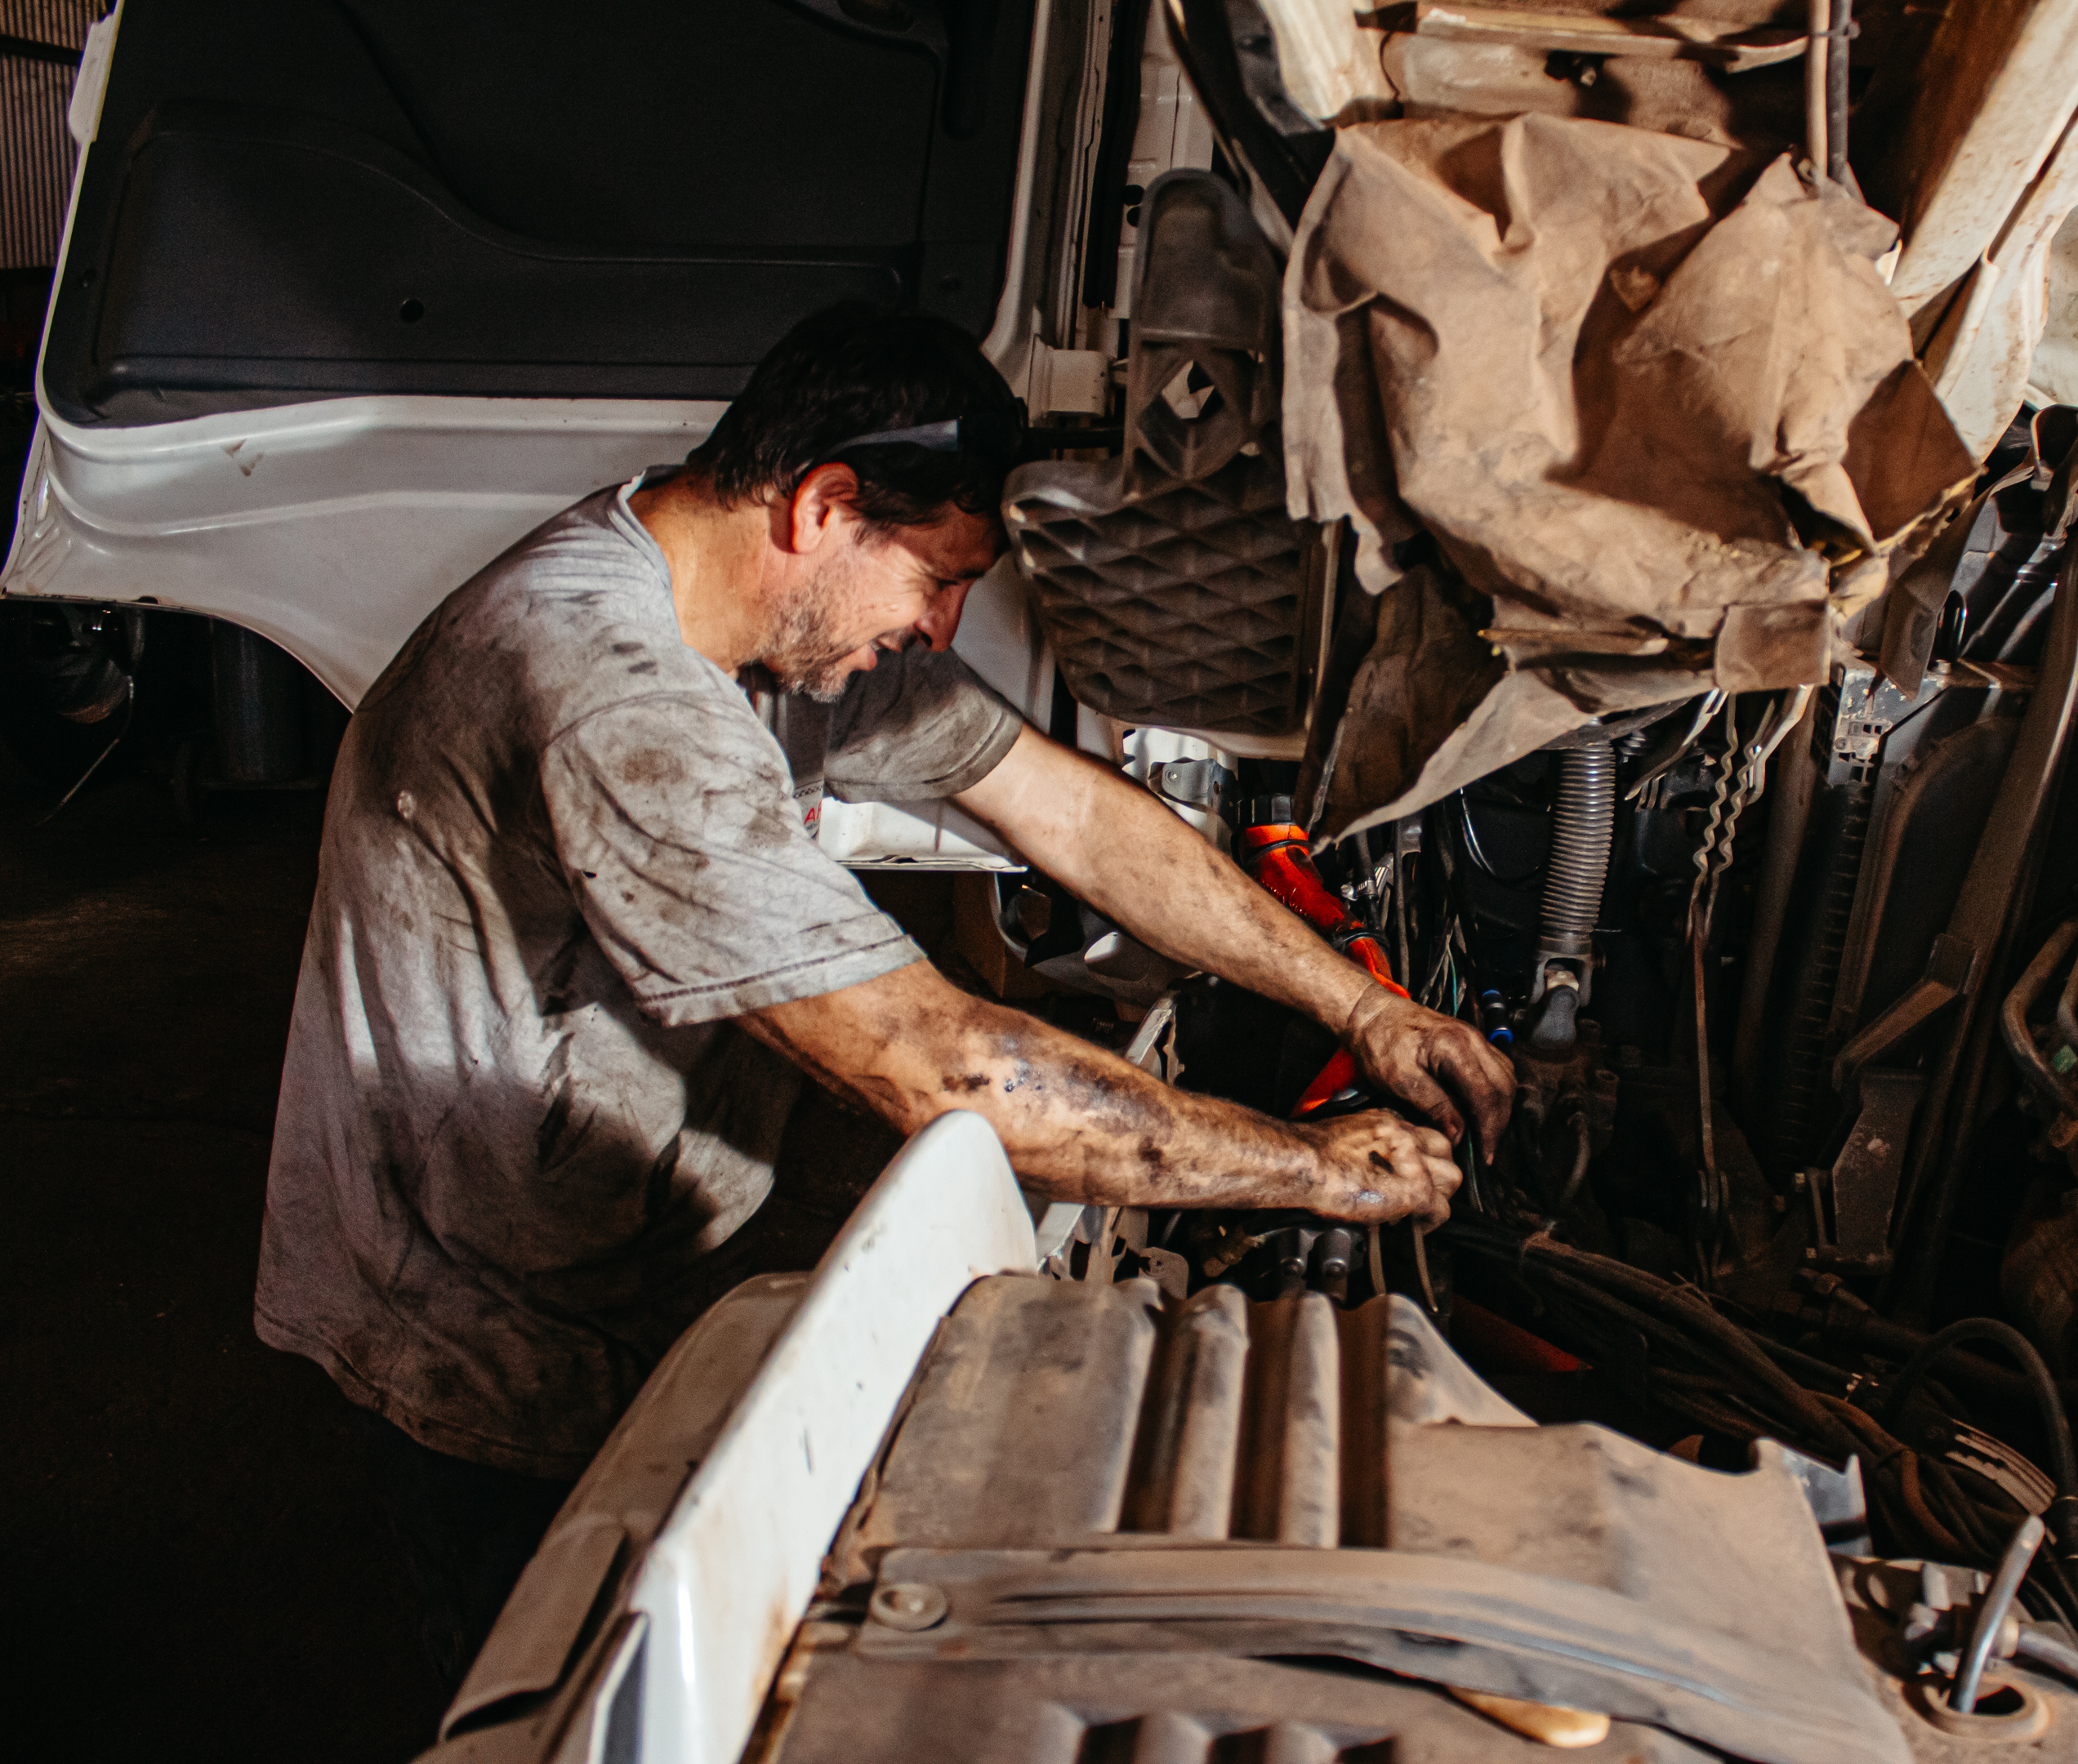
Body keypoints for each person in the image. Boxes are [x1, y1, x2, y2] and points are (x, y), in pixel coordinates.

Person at [254, 301, 1511, 1696]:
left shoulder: (774, 625)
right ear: (823, 507)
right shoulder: (608, 688)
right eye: (936, 579)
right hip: (488, 1314)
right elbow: (938, 1065)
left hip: (641, 1233)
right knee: (573, 1686)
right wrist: (1312, 1170)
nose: (939, 627)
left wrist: (1367, 1011)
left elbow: (1071, 815)